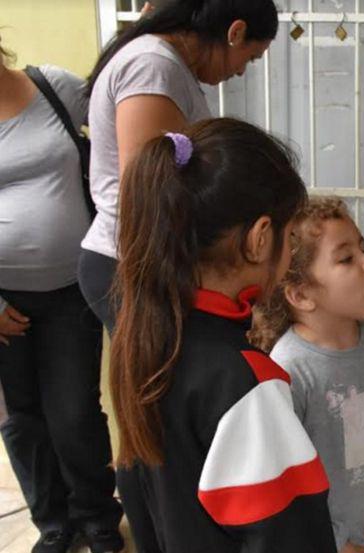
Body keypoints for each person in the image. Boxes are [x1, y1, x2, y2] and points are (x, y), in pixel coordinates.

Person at [109, 118, 336, 553]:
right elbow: (291, 537)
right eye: (289, 237)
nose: (289, 255)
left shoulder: (143, 343)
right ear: (259, 239)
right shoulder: (246, 383)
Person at [79, 0, 277, 331]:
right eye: (252, 57)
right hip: (133, 265)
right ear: (235, 32)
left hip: (144, 262)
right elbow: (150, 192)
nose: (242, 71)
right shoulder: (153, 66)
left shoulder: (165, 64)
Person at [0, 35, 124, 553]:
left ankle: (97, 516)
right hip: (4, 299)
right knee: (23, 420)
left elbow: (122, 131)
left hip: (73, 285)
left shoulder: (53, 87)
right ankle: (53, 523)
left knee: (73, 411)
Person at [250, 196, 364, 553]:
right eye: (346, 258)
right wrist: (334, 541)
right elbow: (284, 482)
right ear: (302, 294)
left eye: (363, 249)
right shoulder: (289, 369)